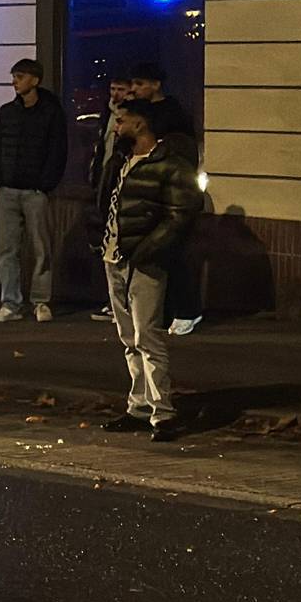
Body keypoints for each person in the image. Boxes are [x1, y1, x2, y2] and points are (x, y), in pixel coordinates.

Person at [101, 99, 201, 443]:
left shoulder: (169, 165)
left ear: (140, 124)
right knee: (129, 338)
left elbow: (181, 214)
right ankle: (139, 407)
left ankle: (163, 413)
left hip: (144, 260)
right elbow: (107, 202)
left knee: (148, 336)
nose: (116, 127)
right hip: (115, 257)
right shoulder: (122, 160)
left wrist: (146, 251)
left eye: (121, 121)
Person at [0, 58, 70, 323]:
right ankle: (10, 303)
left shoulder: (51, 113)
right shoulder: (6, 112)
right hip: (8, 189)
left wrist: (45, 184)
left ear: (35, 80)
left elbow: (58, 150)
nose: (14, 81)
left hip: (35, 191)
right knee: (5, 249)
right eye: (14, 76)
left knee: (41, 248)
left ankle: (40, 301)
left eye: (20, 76)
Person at [126, 62, 205, 336]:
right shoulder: (142, 110)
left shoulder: (172, 115)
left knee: (172, 253)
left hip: (165, 192)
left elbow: (181, 154)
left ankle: (186, 310)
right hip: (148, 193)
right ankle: (159, 311)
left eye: (140, 83)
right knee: (153, 256)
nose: (134, 89)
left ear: (156, 84)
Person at [85, 72, 135, 323]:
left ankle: (126, 304)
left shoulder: (133, 118)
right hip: (105, 183)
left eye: (121, 89)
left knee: (121, 247)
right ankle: (114, 302)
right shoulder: (107, 114)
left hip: (121, 184)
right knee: (108, 246)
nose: (115, 94)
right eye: (113, 88)